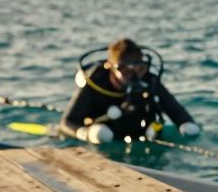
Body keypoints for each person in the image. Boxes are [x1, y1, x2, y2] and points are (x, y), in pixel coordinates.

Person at [60, 38, 200, 144]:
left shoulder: (149, 80)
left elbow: (175, 110)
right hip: (106, 134)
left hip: (143, 135)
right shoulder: (95, 82)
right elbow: (67, 122)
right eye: (125, 70)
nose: (134, 75)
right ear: (111, 67)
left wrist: (186, 124)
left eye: (139, 68)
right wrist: (86, 133)